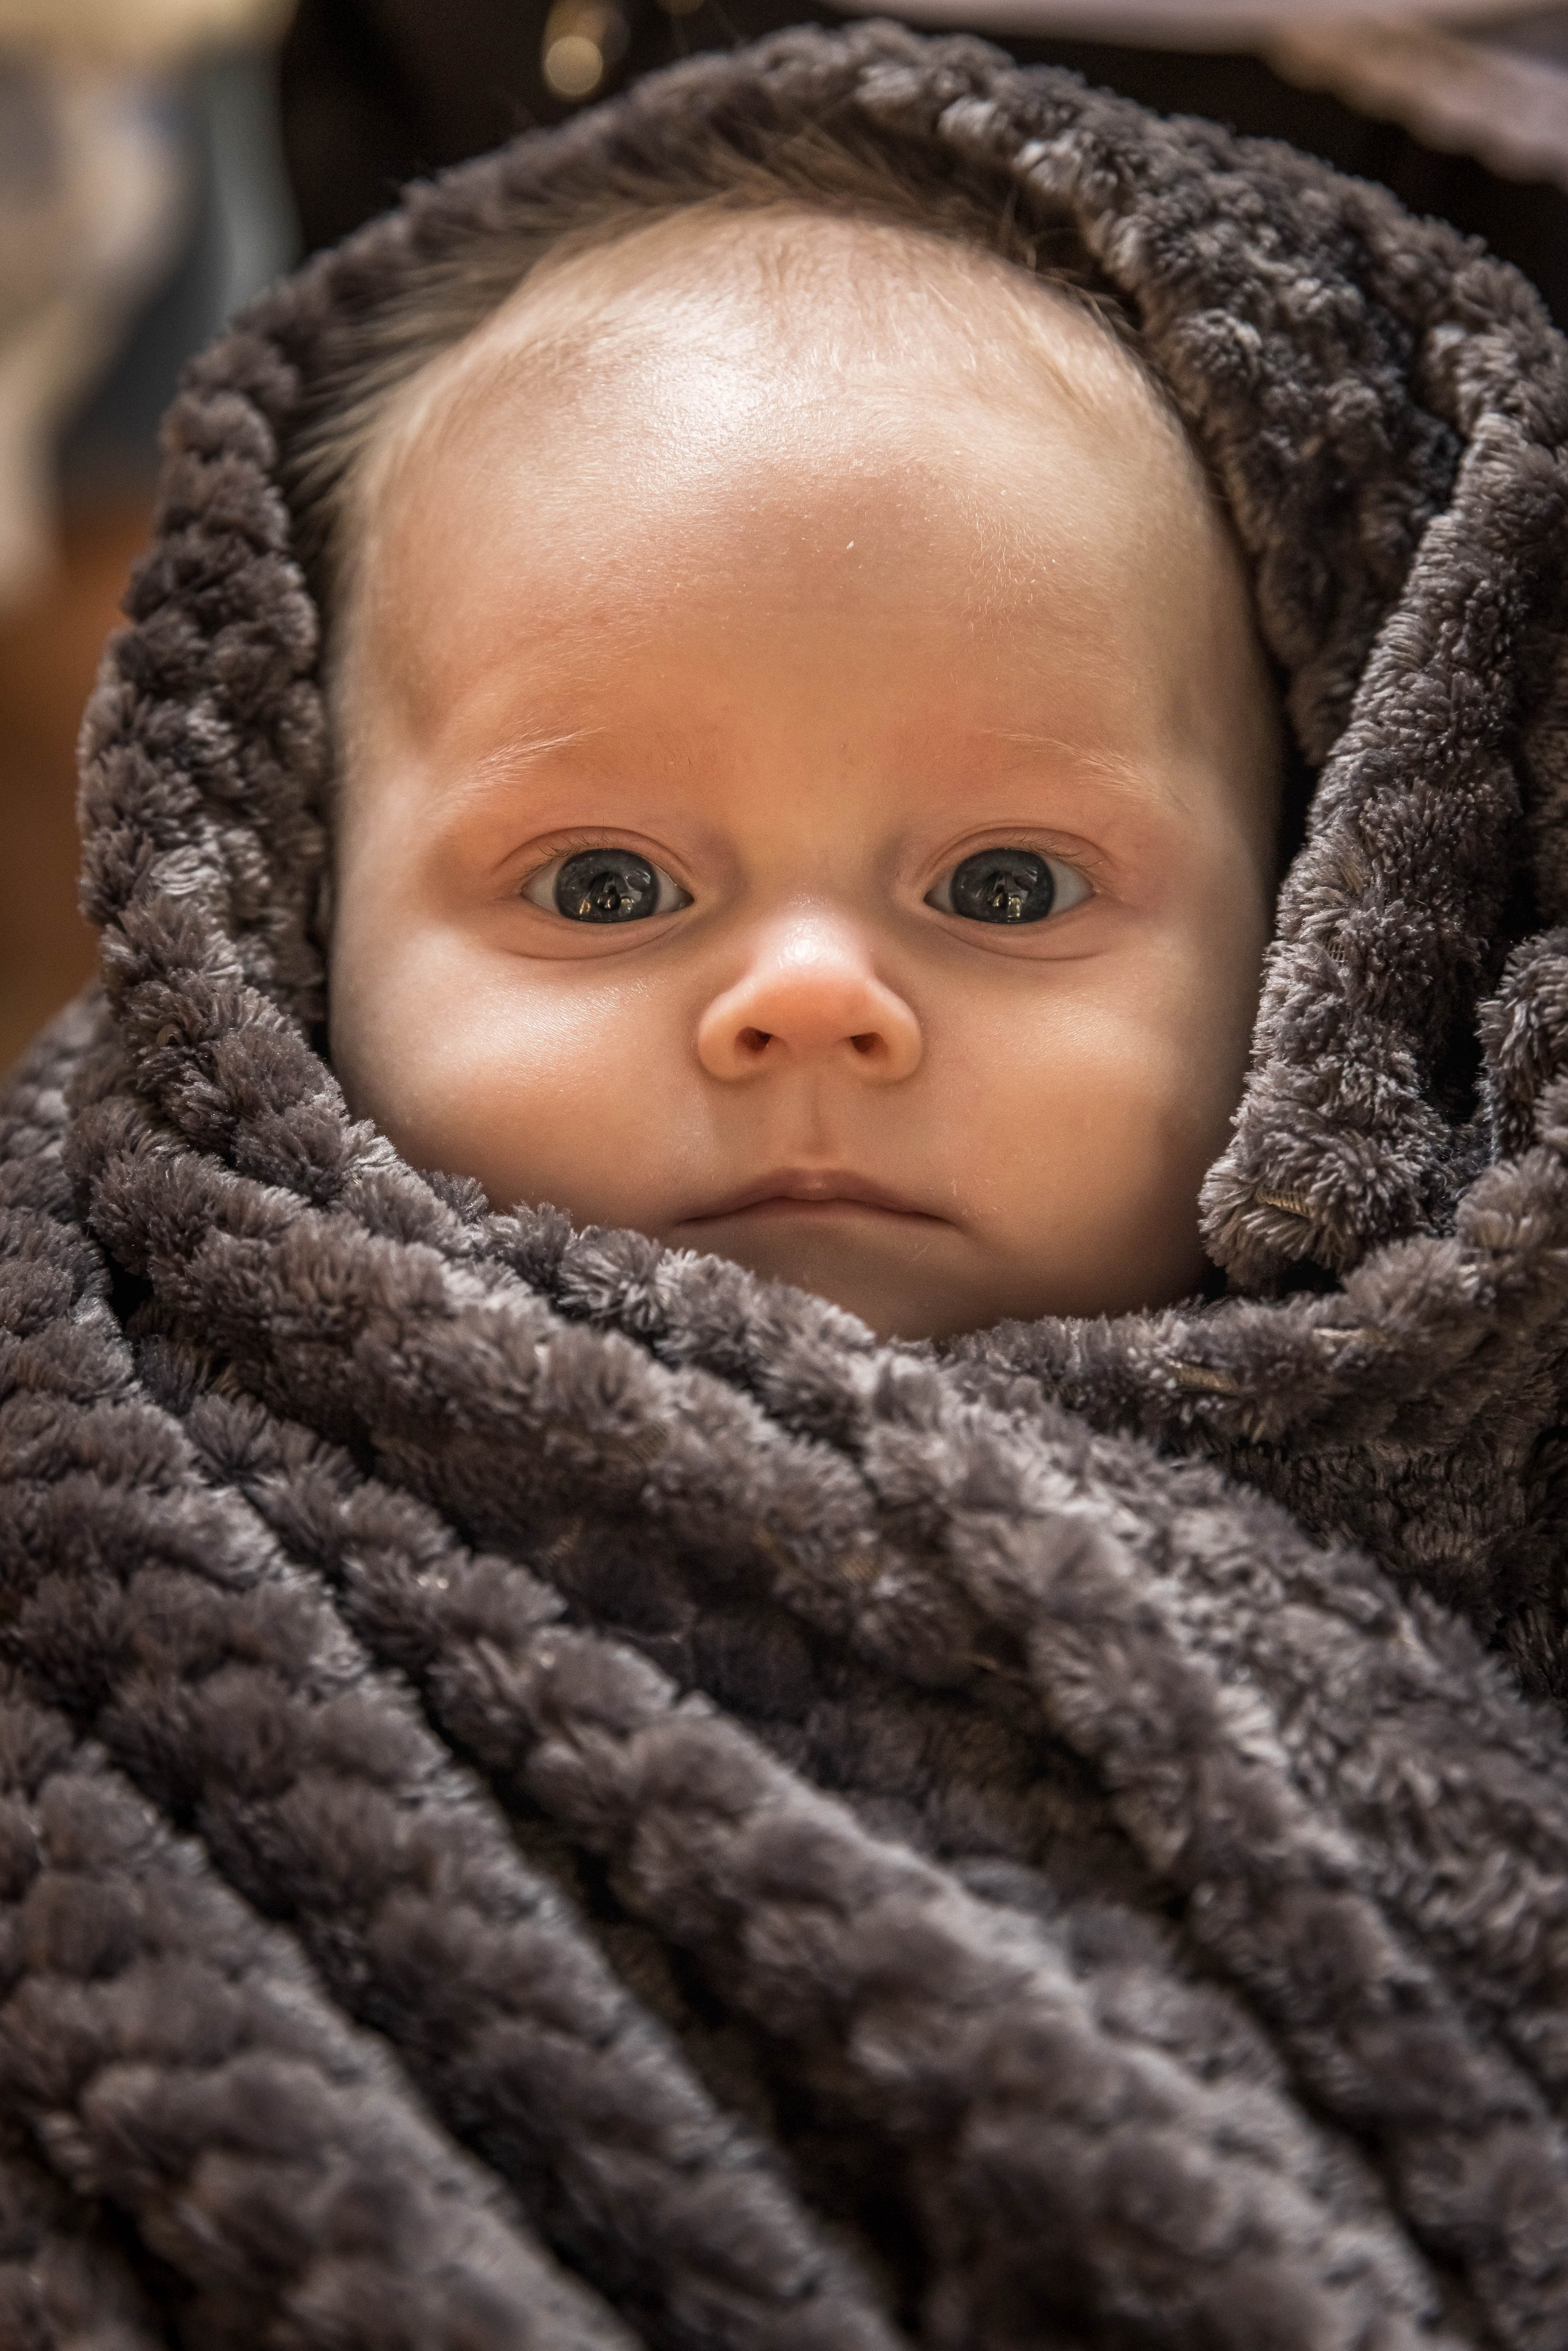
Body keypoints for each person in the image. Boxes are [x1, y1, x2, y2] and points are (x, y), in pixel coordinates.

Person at [5, 23, 1568, 2349]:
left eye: (1017, 885)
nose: (813, 1004)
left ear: (1345, 945)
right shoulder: (106, 1459)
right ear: (287, 917)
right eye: (613, 882)